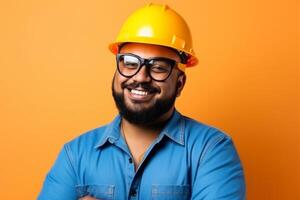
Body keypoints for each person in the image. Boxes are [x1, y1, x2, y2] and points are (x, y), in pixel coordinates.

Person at [38, 3, 246, 200]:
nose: (140, 77)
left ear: (180, 83)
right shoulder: (75, 154)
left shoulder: (211, 150)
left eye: (158, 67)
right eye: (129, 63)